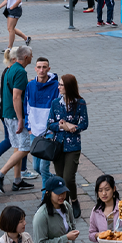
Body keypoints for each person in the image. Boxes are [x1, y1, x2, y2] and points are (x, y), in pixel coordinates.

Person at [0, 46, 35, 193]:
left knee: (17, 147)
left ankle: (17, 180)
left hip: (7, 113)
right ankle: (0, 175)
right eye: (31, 55)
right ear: (26, 57)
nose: (32, 57)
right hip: (15, 115)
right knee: (25, 148)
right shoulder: (20, 72)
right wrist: (21, 119)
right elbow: (16, 96)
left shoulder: (10, 69)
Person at [47, 73, 89, 219]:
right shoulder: (55, 103)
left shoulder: (80, 103)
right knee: (60, 177)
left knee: (68, 178)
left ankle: (74, 200)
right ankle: (64, 205)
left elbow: (84, 124)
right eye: (59, 84)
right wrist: (62, 126)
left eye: (61, 85)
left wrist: (73, 127)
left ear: (68, 87)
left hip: (73, 146)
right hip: (58, 145)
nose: (58, 87)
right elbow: (50, 124)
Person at [25, 57, 60, 188]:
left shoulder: (56, 87)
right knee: (36, 167)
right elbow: (26, 106)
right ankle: (56, 181)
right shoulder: (30, 85)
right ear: (35, 69)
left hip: (49, 132)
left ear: (49, 69)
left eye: (44, 67)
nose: (41, 70)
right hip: (34, 132)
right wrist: (28, 127)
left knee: (44, 169)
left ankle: (45, 198)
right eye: (39, 67)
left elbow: (58, 108)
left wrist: (54, 128)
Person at [33, 177, 80, 243]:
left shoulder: (66, 206)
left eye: (64, 192)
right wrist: (65, 238)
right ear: (48, 193)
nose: (62, 196)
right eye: (58, 193)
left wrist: (70, 242)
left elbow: (72, 228)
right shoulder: (41, 216)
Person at [88, 175, 122, 243]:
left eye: (107, 190)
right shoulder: (96, 210)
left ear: (114, 189)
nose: (104, 193)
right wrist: (98, 235)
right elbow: (91, 234)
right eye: (100, 190)